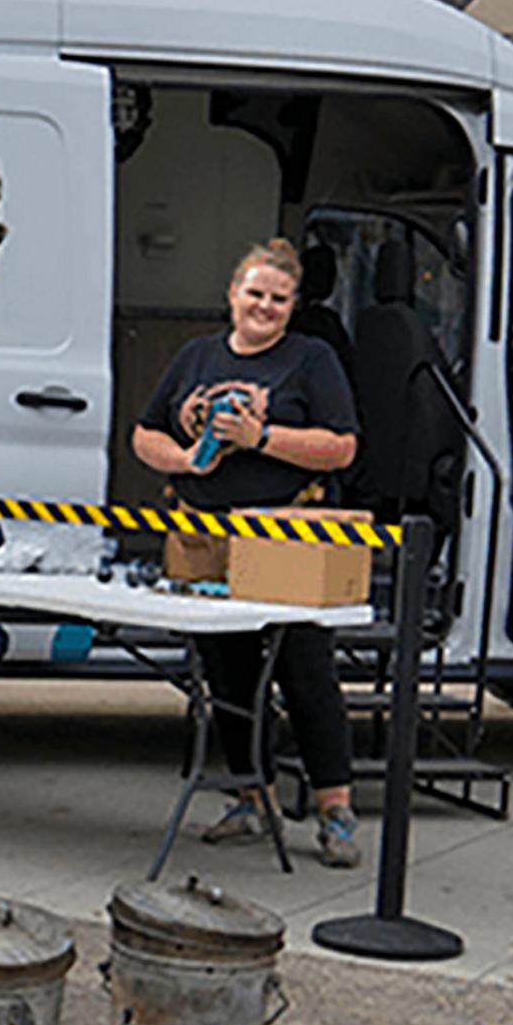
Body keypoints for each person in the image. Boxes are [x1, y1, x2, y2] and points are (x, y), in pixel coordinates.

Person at [132, 238, 365, 868]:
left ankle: (335, 810)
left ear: (293, 306)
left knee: (306, 671)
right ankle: (251, 797)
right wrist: (181, 459)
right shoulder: (196, 356)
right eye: (255, 293)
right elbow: (144, 432)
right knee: (229, 676)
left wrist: (258, 436)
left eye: (278, 298)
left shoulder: (310, 359)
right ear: (232, 295)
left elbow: (342, 447)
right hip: (204, 538)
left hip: (287, 536)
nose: (265, 306)